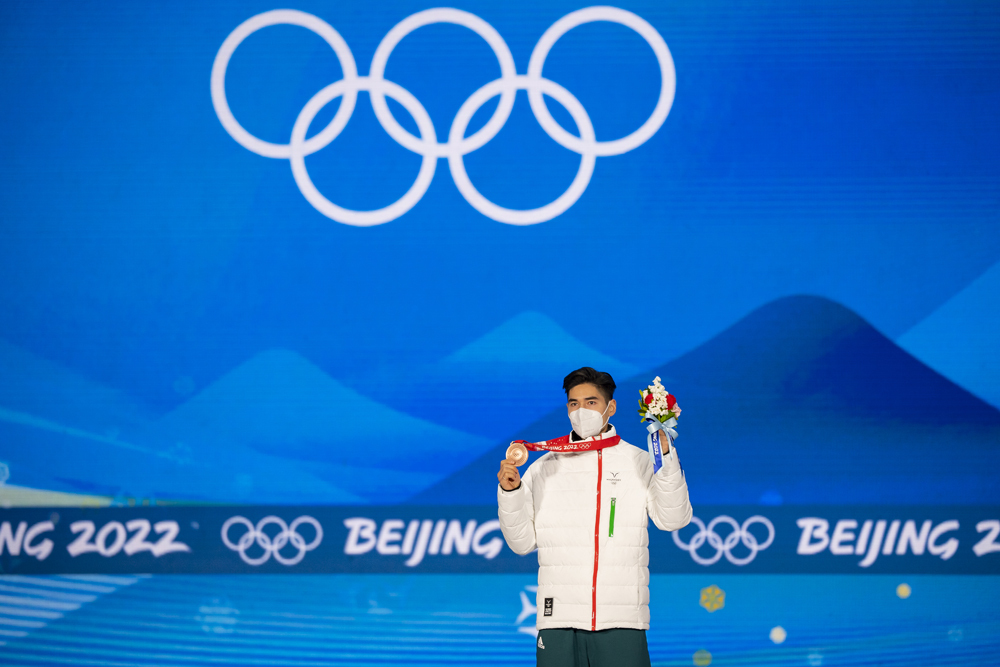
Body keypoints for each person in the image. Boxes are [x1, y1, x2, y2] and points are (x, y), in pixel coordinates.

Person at [497, 367, 692, 667]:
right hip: (558, 621)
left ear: (610, 407)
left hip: (621, 620)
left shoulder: (639, 461)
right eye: (574, 404)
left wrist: (665, 457)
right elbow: (521, 543)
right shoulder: (544, 467)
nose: (581, 411)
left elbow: (673, 519)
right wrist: (509, 492)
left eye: (591, 402)